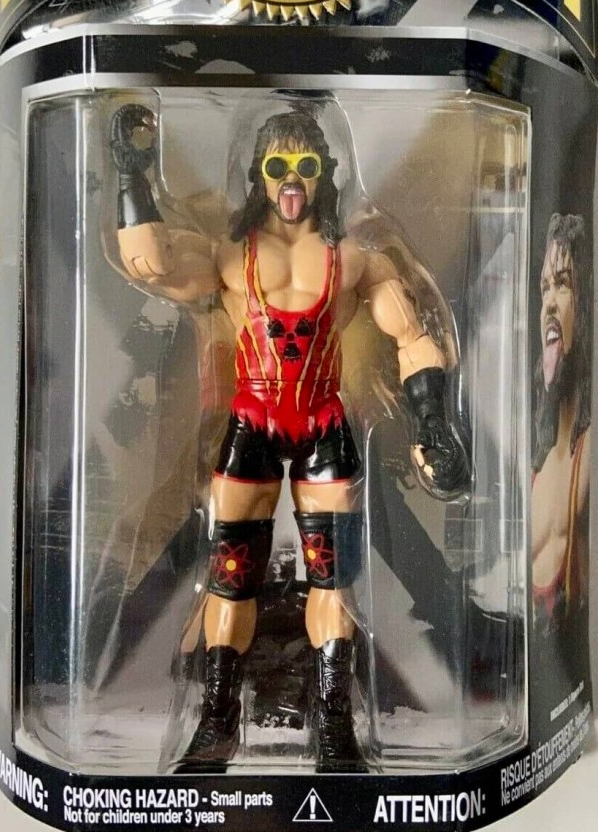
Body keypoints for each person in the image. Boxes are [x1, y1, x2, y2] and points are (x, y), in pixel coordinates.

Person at [111, 100, 467, 771]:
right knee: (230, 580)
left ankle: (333, 723)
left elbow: (413, 336)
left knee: (333, 582)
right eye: (279, 167)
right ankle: (216, 721)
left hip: (324, 426)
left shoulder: (354, 261)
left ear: (325, 172)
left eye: (305, 165)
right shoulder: (229, 256)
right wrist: (132, 174)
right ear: (259, 176)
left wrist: (432, 423)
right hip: (252, 423)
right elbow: (151, 263)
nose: (293, 180)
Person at [532, 214, 591, 634]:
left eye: (563, 284)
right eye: (544, 289)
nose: (550, 303)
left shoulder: (589, 450)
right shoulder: (536, 455)